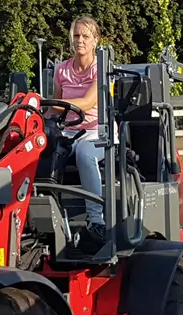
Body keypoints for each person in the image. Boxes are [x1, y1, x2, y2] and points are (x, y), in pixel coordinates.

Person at [52, 15, 107, 244]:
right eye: (76, 35)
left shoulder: (100, 68)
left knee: (85, 152)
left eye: (85, 36)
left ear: (95, 40)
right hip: (68, 132)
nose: (80, 40)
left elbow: (89, 102)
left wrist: (61, 105)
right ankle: (46, 215)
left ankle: (97, 222)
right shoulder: (61, 70)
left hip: (97, 132)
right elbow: (53, 108)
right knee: (43, 149)